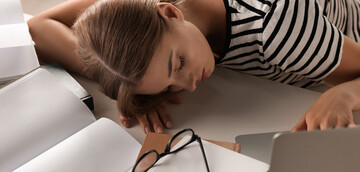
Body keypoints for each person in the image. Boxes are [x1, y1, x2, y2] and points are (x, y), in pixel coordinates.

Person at [28, 0, 360, 134]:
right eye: (169, 86)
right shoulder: (138, 11)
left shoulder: (277, 29)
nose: (189, 86)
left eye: (179, 64)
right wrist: (124, 78)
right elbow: (40, 28)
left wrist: (344, 96)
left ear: (170, 12)